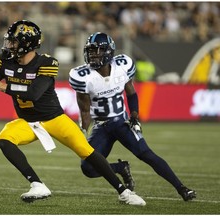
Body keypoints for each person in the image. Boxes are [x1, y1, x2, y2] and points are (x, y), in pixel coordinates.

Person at [0, 20, 146, 206]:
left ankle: (124, 192)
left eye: (14, 42)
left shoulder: (47, 62)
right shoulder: (6, 60)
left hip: (54, 119)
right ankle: (37, 184)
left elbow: (33, 93)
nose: (9, 45)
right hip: (28, 121)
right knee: (4, 139)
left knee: (87, 152)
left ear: (27, 44)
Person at [69, 32, 197, 202]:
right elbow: (85, 111)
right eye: (91, 51)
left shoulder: (122, 66)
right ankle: (120, 168)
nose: (93, 54)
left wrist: (135, 116)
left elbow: (131, 93)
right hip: (101, 127)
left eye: (98, 50)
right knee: (88, 168)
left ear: (108, 51)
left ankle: (182, 189)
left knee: (146, 154)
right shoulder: (83, 77)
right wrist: (82, 133)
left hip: (121, 122)